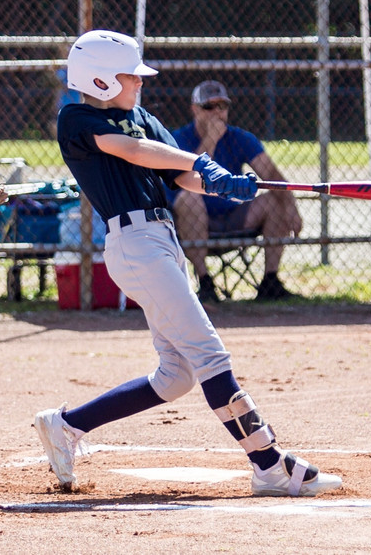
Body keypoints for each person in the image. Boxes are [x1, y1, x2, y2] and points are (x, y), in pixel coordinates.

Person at [34, 30, 341, 497]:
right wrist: (202, 163)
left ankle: (66, 425)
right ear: (99, 80)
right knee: (210, 355)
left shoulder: (142, 118)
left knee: (176, 376)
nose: (140, 82)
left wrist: (222, 184)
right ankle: (268, 464)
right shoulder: (76, 119)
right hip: (135, 244)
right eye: (130, 76)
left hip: (163, 240)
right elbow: (132, 151)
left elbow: (178, 174)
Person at [170, 80, 303, 302]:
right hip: (190, 221)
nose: (217, 112)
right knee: (190, 198)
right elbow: (191, 175)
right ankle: (205, 283)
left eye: (223, 106)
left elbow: (271, 174)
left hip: (233, 215)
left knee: (275, 199)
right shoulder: (178, 139)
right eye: (209, 107)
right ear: (195, 109)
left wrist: (291, 207)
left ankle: (270, 281)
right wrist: (211, 140)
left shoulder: (239, 137)